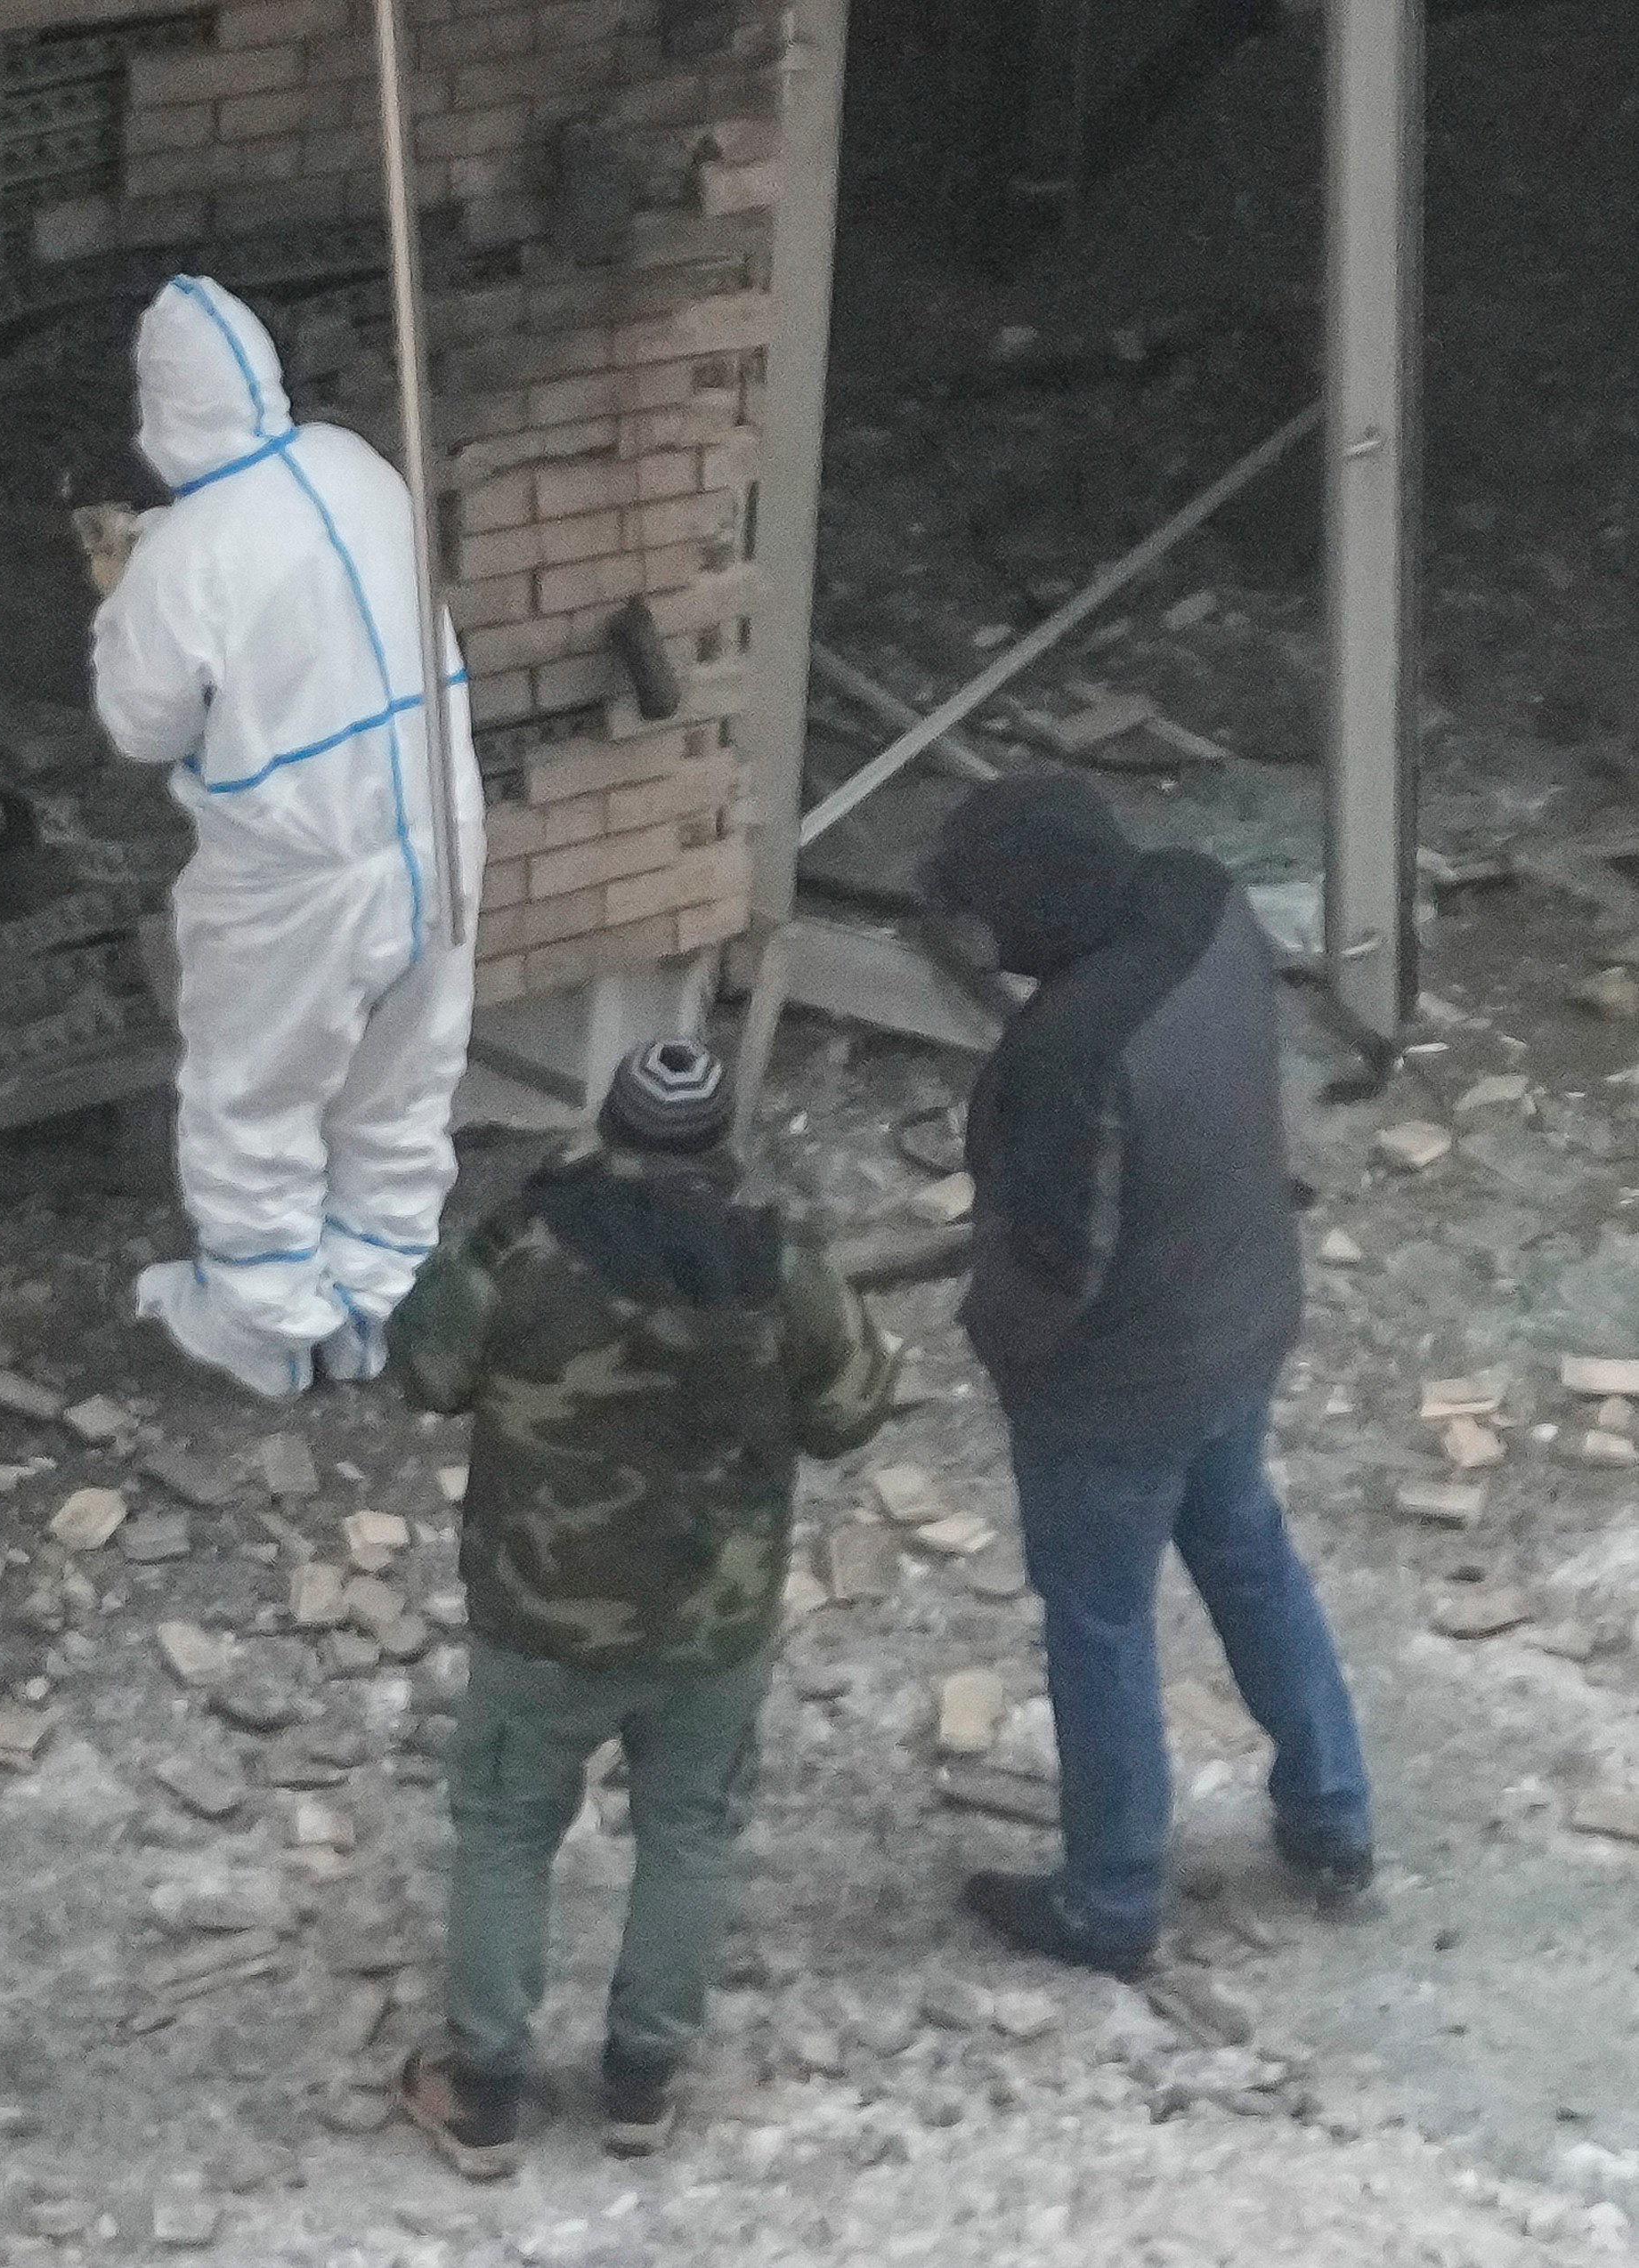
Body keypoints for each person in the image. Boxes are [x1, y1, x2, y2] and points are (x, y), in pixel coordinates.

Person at [384, 1040, 896, 2175]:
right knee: (689, 1832)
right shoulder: (778, 1261)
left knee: (509, 1832)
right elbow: (856, 1407)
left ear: (608, 1131)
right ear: (722, 1146)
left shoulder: (518, 1247)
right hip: (714, 1621)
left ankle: (482, 2095)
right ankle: (641, 2083)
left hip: (540, 1616)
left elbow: (422, 1371)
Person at [921, 774, 1373, 1977]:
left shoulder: (1069, 1049)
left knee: (1101, 1622)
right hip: (1241, 1310)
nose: (985, 943)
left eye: (987, 913)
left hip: (1120, 1389)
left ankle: (1111, 1897)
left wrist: (1006, 1359)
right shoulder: (1203, 901)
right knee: (1246, 1548)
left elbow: (1058, 1262)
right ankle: (1333, 1817)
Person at [90, 274, 483, 1402]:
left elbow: (139, 723)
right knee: (402, 1077)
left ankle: (264, 1326)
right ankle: (375, 1299)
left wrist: (124, 593)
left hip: (300, 870)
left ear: (161, 409)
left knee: (252, 1091)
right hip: (437, 824)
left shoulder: (184, 557)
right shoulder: (355, 467)